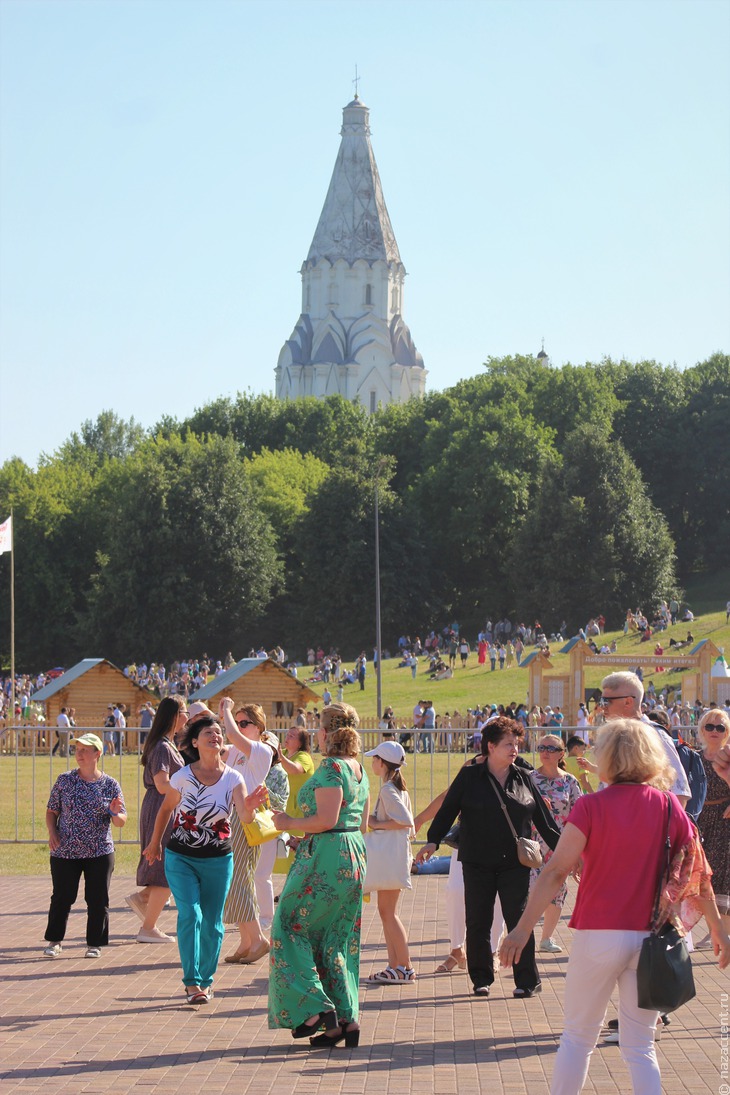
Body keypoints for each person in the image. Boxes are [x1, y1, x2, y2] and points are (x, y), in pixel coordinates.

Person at [499, 718, 730, 1094]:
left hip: (599, 932)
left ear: (605, 757)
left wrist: (523, 928)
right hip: (651, 936)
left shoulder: (591, 806)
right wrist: (718, 930)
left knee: (577, 1038)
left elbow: (556, 870)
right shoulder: (671, 807)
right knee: (639, 1047)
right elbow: (698, 874)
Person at [416, 716, 560, 997]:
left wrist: (568, 852)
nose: (514, 749)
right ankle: (481, 979)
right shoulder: (470, 776)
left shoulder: (524, 777)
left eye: (516, 744)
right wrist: (432, 841)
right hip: (476, 861)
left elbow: (545, 822)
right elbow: (447, 810)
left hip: (514, 864)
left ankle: (526, 980)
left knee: (519, 920)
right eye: (508, 744)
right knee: (478, 920)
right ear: (490, 746)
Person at [142, 713, 267, 1004]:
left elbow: (246, 817)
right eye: (208, 733)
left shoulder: (234, 778)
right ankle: (192, 982)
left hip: (218, 860)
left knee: (213, 923)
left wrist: (249, 806)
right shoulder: (182, 776)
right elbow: (165, 811)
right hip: (181, 857)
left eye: (218, 733)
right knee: (191, 914)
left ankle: (206, 981)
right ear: (195, 742)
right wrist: (155, 843)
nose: (215, 736)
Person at [268, 702, 369, 1048]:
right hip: (351, 851)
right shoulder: (359, 769)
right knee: (334, 938)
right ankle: (344, 1021)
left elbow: (325, 819)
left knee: (289, 924)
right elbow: (358, 822)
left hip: (327, 854)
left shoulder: (331, 768)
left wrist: (288, 823)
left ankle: (314, 1008)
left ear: (325, 733)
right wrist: (306, 835)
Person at [43, 732, 127, 959]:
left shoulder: (110, 784)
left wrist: (114, 813)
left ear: (98, 753)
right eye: (77, 749)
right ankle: (55, 940)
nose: (79, 754)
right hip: (65, 850)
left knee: (98, 898)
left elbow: (120, 821)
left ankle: (95, 943)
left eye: (84, 750)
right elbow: (52, 811)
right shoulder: (65, 780)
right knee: (62, 896)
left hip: (99, 851)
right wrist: (53, 832)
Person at [127, 696, 188, 943]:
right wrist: (187, 788)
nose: (187, 716)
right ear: (174, 715)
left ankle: (143, 899)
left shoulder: (168, 744)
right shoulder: (163, 747)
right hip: (162, 807)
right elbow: (163, 785)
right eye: (183, 711)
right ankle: (148, 927)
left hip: (166, 807)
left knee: (169, 867)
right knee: (166, 868)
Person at [220, 700, 274, 965]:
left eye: (245, 723)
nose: (239, 727)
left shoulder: (262, 750)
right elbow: (222, 746)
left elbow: (230, 735)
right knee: (234, 879)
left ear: (259, 727)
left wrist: (227, 712)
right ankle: (247, 940)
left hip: (247, 818)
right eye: (238, 722)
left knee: (240, 878)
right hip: (233, 815)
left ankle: (259, 939)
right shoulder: (238, 751)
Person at [364, 740, 416, 983]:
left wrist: (375, 824)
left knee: (389, 914)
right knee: (387, 913)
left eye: (375, 758)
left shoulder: (388, 789)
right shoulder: (396, 787)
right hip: (393, 858)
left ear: (382, 763)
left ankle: (404, 966)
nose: (372, 762)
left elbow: (406, 821)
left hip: (390, 859)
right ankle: (395, 965)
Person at [529, 735, 582, 953]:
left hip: (562, 845)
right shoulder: (529, 778)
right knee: (530, 890)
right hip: (533, 844)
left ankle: (546, 939)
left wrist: (579, 853)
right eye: (542, 747)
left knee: (558, 891)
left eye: (551, 748)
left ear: (561, 753)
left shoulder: (569, 781)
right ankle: (525, 935)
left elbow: (580, 815)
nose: (545, 752)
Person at [695, 708, 730, 943]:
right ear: (702, 730)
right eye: (710, 726)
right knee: (700, 874)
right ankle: (714, 928)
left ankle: (720, 931)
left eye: (720, 727)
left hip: (724, 819)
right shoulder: (694, 758)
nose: (714, 731)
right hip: (699, 819)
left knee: (721, 875)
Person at [254, 731, 290, 932]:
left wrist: (262, 787)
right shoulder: (252, 767)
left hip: (268, 826)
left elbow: (280, 802)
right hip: (249, 824)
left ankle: (267, 917)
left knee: (262, 874)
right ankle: (249, 914)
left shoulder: (279, 773)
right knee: (247, 874)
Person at [279, 725, 315, 836]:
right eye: (287, 735)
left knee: (294, 843)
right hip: (284, 804)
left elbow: (294, 769)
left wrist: (279, 755)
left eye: (292, 736)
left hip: (299, 808)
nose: (287, 737)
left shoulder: (304, 756)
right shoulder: (284, 753)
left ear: (300, 743)